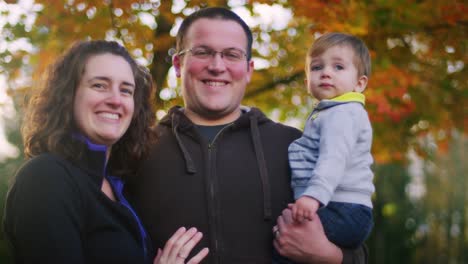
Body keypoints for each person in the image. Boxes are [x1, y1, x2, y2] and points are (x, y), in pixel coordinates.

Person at [126, 7, 368, 264]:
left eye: (232, 55)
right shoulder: (137, 150)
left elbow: (356, 244)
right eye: (202, 52)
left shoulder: (294, 145)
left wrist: (326, 255)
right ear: (178, 64)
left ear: (249, 69)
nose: (217, 66)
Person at [3, 40, 209, 264]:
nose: (115, 100)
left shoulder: (119, 185)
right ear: (69, 95)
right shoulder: (45, 178)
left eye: (126, 90)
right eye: (99, 85)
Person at [274, 33, 375, 263]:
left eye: (338, 67)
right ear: (307, 79)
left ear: (360, 83)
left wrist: (312, 197)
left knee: (286, 243)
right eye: (317, 67)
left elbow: (334, 159)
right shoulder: (330, 112)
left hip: (342, 208)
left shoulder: (342, 114)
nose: (326, 72)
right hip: (342, 208)